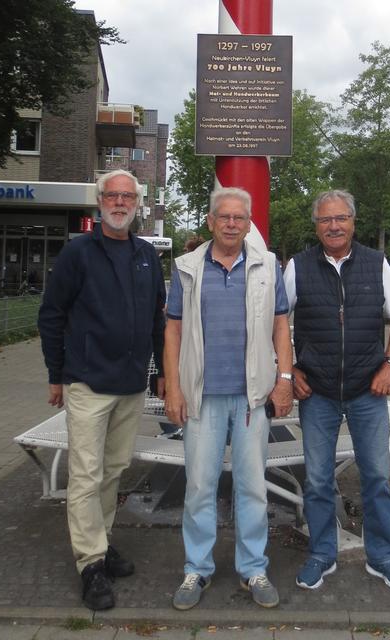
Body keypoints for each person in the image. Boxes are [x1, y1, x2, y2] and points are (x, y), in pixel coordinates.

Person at [38, 169, 166, 611]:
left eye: (127, 195)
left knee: (113, 471)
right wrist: (56, 373)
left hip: (131, 386)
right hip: (88, 383)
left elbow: (155, 321)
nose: (119, 202)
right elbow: (51, 314)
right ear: (99, 201)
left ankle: (102, 540)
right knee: (87, 475)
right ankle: (90, 562)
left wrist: (160, 372)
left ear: (137, 203)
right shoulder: (78, 253)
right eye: (111, 194)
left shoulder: (147, 254)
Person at [164, 187, 293, 610]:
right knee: (199, 485)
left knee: (253, 486)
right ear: (211, 220)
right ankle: (196, 568)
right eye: (225, 217)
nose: (233, 224)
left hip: (251, 398)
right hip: (201, 396)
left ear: (248, 222)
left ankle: (253, 568)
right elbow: (173, 331)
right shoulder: (186, 267)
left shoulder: (266, 266)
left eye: (240, 218)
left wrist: (284, 379)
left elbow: (280, 326)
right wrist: (175, 387)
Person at [283, 189, 390, 593]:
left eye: (340, 218)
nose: (334, 226)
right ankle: (322, 554)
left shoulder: (376, 265)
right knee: (319, 480)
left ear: (353, 222)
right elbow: (274, 323)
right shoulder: (297, 267)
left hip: (367, 391)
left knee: (376, 476)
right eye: (325, 220)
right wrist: (288, 372)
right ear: (316, 226)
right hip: (317, 392)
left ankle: (383, 557)